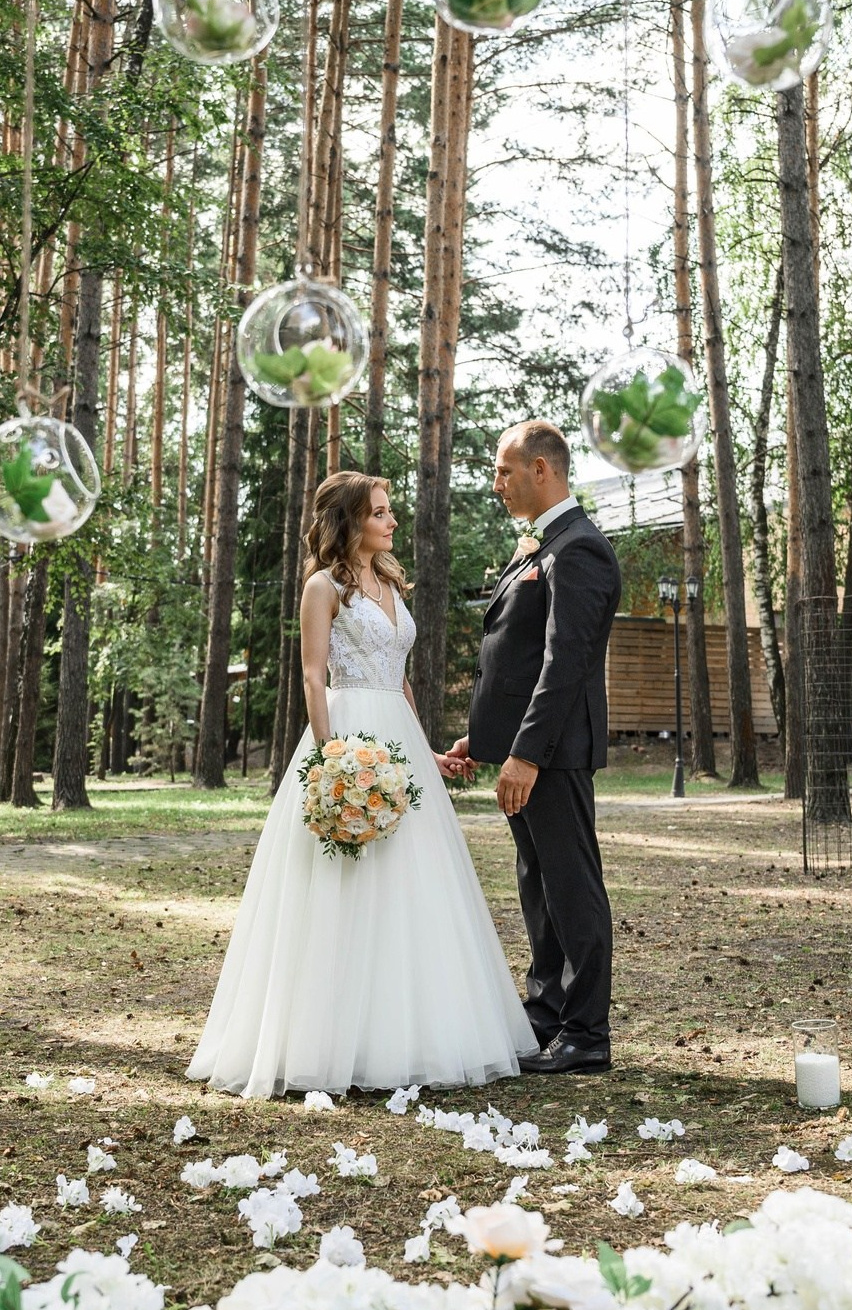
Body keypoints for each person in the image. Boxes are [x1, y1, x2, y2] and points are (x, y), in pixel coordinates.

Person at [187, 471, 538, 1098]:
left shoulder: (390, 583)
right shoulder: (323, 587)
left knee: (412, 887)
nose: (392, 521)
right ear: (350, 521)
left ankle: (413, 1033)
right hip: (347, 735)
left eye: (390, 511)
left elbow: (398, 679)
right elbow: (314, 676)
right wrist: (330, 760)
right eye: (380, 512)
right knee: (340, 888)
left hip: (395, 737)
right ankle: (327, 1041)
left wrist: (426, 753)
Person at [448, 421, 623, 1074]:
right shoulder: (542, 546)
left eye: (504, 470)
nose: (496, 483)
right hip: (527, 746)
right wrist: (490, 737)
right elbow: (516, 658)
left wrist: (526, 754)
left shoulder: (579, 550)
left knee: (571, 885)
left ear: (541, 469)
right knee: (538, 884)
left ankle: (586, 1030)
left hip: (553, 752)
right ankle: (545, 1012)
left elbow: (564, 663)